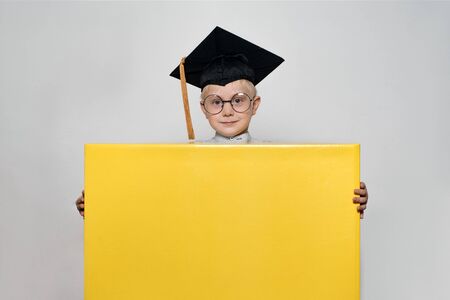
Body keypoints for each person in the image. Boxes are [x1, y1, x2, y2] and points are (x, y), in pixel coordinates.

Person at [76, 26, 369, 218]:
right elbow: (150, 208)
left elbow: (304, 208)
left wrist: (346, 199)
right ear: (203, 109)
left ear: (255, 105)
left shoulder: (282, 162)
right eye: (216, 102)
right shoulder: (181, 162)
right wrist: (101, 205)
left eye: (238, 99)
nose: (227, 110)